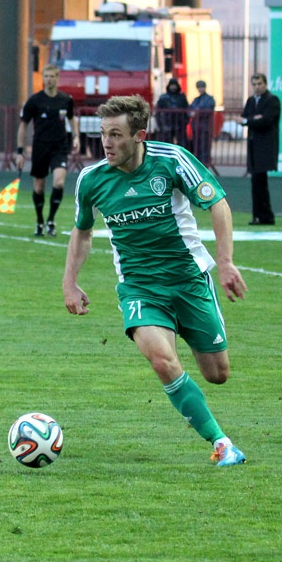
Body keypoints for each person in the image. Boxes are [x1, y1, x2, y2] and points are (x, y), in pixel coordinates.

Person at [62, 95, 248, 468]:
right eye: (104, 134)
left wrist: (226, 262)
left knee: (217, 374)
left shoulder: (172, 160)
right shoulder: (92, 179)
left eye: (116, 135)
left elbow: (218, 204)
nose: (107, 143)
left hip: (188, 281)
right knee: (163, 361)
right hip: (139, 288)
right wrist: (70, 282)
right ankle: (222, 443)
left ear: (140, 136)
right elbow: (82, 231)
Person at [14, 64, 80, 237]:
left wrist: (76, 137)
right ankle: (39, 221)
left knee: (59, 182)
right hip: (40, 146)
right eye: (46, 76)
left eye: (52, 76)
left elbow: (72, 119)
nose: (49, 79)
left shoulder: (66, 99)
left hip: (60, 146)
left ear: (57, 78)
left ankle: (51, 220)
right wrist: (20, 151)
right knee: (39, 186)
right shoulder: (35, 100)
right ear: (43, 78)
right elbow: (23, 125)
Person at [241, 73, 280, 225]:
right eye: (254, 84)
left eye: (259, 84)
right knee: (256, 182)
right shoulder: (251, 100)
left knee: (260, 182)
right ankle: (260, 215)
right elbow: (245, 118)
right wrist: (253, 119)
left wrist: (251, 120)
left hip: (265, 146)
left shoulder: (272, 100)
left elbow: (266, 120)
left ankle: (265, 215)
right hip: (253, 145)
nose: (257, 87)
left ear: (265, 84)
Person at [153, 77, 189, 148]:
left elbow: (187, 110)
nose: (173, 87)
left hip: (180, 125)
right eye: (172, 85)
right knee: (167, 145)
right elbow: (157, 111)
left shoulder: (182, 97)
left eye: (174, 85)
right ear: (169, 86)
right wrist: (160, 124)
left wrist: (185, 122)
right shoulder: (163, 97)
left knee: (182, 144)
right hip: (167, 125)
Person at [187, 80, 216, 165]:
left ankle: (204, 164)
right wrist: (194, 113)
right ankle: (199, 164)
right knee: (197, 148)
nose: (200, 89)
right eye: (199, 87)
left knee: (204, 148)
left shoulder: (209, 99)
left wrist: (196, 113)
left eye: (202, 87)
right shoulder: (196, 99)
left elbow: (206, 111)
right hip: (196, 127)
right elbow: (189, 111)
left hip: (205, 127)